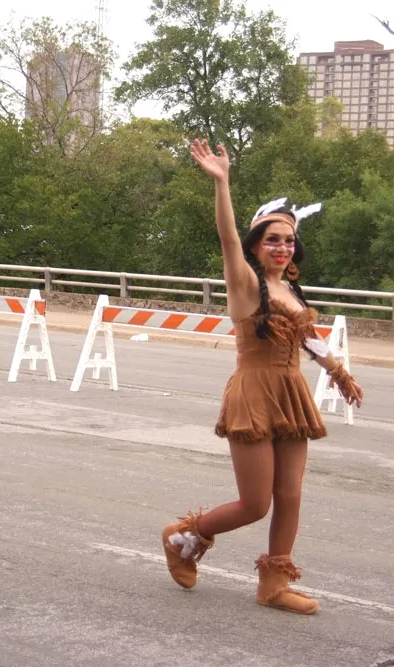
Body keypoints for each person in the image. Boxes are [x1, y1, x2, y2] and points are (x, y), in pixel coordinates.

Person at [160, 139, 364, 615]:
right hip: (253, 392)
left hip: (291, 393)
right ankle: (183, 538)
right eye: (272, 239)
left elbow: (309, 337)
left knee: (290, 495)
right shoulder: (246, 283)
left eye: (288, 241)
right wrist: (222, 182)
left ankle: (273, 585)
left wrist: (338, 372)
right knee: (256, 504)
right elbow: (228, 239)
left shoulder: (289, 290)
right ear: (255, 245)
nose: (282, 247)